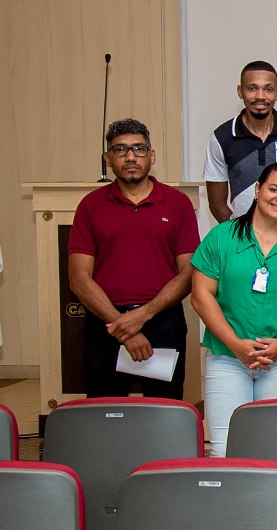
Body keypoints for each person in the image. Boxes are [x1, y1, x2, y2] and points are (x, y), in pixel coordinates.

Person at [69, 118, 199, 399]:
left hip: (162, 323)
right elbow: (79, 278)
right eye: (120, 150)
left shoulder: (178, 203)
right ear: (107, 158)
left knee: (164, 414)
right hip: (105, 324)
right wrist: (124, 327)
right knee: (104, 414)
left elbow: (188, 273)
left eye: (139, 149)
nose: (130, 156)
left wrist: (142, 315)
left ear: (151, 156)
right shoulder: (90, 206)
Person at [191, 163, 277, 457]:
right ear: (258, 190)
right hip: (226, 357)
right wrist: (237, 346)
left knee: (270, 450)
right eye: (274, 189)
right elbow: (200, 296)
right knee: (223, 450)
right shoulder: (222, 236)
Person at [203, 61, 277, 222]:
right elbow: (217, 204)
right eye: (252, 88)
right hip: (242, 241)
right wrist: (239, 235)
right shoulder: (222, 137)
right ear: (240, 91)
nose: (260, 96)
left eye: (268, 89)